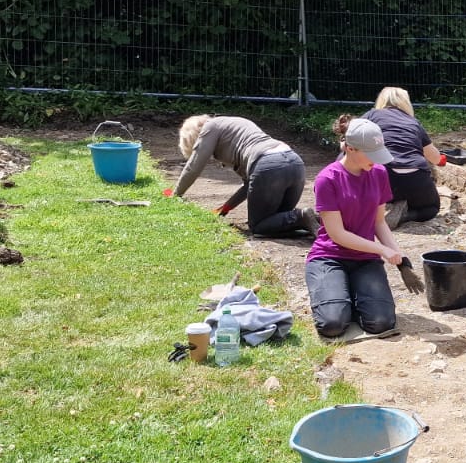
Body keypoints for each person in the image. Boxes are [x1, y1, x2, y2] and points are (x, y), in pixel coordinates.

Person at [304, 116, 406, 338]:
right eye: (371, 154)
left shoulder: (379, 173)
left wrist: (395, 252)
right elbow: (338, 234)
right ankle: (338, 293)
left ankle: (347, 293)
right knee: (332, 324)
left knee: (381, 323)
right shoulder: (327, 179)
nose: (376, 160)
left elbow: (379, 222)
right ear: (350, 148)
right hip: (329, 257)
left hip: (365, 259)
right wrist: (381, 249)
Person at [167, 115, 317, 238]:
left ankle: (301, 216)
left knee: (259, 226)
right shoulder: (236, 124)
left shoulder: (210, 127)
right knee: (279, 220)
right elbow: (250, 183)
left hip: (269, 166)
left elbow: (194, 166)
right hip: (295, 163)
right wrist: (226, 207)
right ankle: (317, 220)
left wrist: (176, 194)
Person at [363, 87, 447, 227]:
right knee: (431, 208)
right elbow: (434, 157)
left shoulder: (371, 116)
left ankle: (379, 208)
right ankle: (406, 216)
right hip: (416, 177)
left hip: (384, 174)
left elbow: (352, 141)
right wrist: (442, 161)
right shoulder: (413, 122)